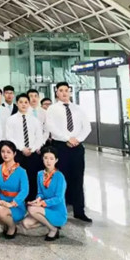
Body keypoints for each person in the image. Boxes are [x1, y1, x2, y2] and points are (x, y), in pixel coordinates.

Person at [46, 82, 92, 222]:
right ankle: (60, 210)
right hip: (60, 146)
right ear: (57, 93)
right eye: (61, 90)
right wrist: (67, 138)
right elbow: (50, 126)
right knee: (61, 179)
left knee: (78, 179)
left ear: (70, 92)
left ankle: (79, 211)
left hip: (77, 147)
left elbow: (87, 127)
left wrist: (77, 139)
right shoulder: (52, 109)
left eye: (66, 90)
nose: (64, 93)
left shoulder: (78, 109)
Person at [0, 141, 28, 239]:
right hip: (0, 200)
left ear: (14, 153)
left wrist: (12, 203)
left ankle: (12, 227)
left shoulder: (21, 171)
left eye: (8, 152)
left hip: (15, 203)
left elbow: (25, 190)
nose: (5, 154)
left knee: (0, 210)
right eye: (3, 151)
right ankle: (6, 221)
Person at [22, 146, 67, 241]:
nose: (48, 161)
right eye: (46, 158)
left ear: (56, 160)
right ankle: (51, 224)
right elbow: (40, 193)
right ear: (42, 159)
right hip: (44, 208)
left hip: (57, 211)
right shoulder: (40, 174)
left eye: (51, 158)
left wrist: (42, 203)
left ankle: (53, 229)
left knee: (32, 209)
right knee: (26, 224)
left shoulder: (59, 176)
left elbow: (59, 198)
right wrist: (37, 200)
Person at [6, 94, 44, 202]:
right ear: (17, 103)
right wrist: (22, 148)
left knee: (32, 177)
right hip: (18, 153)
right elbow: (9, 137)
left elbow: (39, 137)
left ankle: (31, 200)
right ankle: (18, 201)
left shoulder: (34, 120)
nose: (23, 104)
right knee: (18, 178)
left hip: (33, 153)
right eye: (21, 102)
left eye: (26, 102)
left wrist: (32, 149)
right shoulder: (11, 120)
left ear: (29, 104)